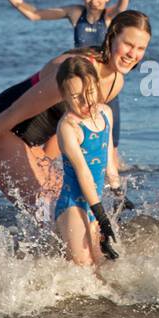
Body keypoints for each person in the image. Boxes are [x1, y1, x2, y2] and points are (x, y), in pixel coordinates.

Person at [0, 11, 151, 219]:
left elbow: (68, 125)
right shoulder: (74, 73)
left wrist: (48, 163)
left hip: (30, 141)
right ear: (111, 37)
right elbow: (12, 114)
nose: (133, 54)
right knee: (51, 212)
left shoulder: (115, 82)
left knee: (74, 206)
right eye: (128, 44)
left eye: (140, 48)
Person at [0, 0, 138, 147]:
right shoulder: (76, 13)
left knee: (108, 145)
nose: (94, 0)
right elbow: (35, 14)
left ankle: (117, 174)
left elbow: (122, 9)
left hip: (103, 87)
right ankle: (51, 172)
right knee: (59, 137)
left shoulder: (108, 17)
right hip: (78, 82)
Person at [53, 57, 121, 268]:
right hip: (73, 204)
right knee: (84, 267)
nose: (85, 102)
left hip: (94, 203)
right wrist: (101, 215)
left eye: (89, 93)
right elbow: (83, 172)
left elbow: (109, 158)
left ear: (96, 87)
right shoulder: (68, 127)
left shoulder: (105, 113)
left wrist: (118, 190)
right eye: (75, 97)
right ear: (64, 95)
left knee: (101, 266)